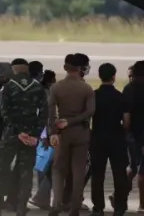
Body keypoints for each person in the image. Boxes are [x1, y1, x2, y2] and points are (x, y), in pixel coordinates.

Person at [0, 60, 47, 216]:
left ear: (13, 70)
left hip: (11, 135)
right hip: (30, 137)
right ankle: (21, 208)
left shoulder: (7, 88)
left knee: (0, 169)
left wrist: (17, 131)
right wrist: (35, 134)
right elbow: (43, 114)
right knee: (25, 172)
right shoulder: (38, 88)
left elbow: (5, 114)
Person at [48, 54, 95, 216]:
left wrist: (53, 132)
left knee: (58, 170)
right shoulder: (86, 88)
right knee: (78, 171)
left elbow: (50, 113)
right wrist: (73, 121)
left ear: (65, 68)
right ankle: (74, 207)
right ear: (80, 69)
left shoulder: (56, 87)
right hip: (81, 133)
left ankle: (56, 206)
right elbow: (90, 111)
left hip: (62, 133)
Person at [90, 63, 128, 216]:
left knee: (97, 173)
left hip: (98, 137)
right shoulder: (121, 97)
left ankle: (98, 208)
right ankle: (119, 207)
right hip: (116, 138)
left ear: (99, 76)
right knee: (119, 173)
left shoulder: (93, 96)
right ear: (114, 76)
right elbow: (126, 122)